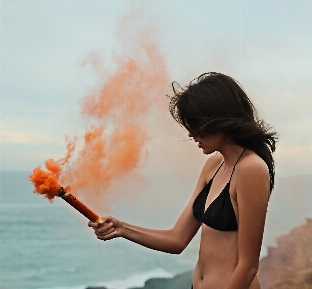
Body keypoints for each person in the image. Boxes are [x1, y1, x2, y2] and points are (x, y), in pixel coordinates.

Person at [88, 72, 277, 289]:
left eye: (196, 125)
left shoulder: (251, 169)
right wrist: (122, 229)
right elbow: (177, 239)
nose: (191, 134)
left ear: (220, 119)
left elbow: (248, 266)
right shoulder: (214, 166)